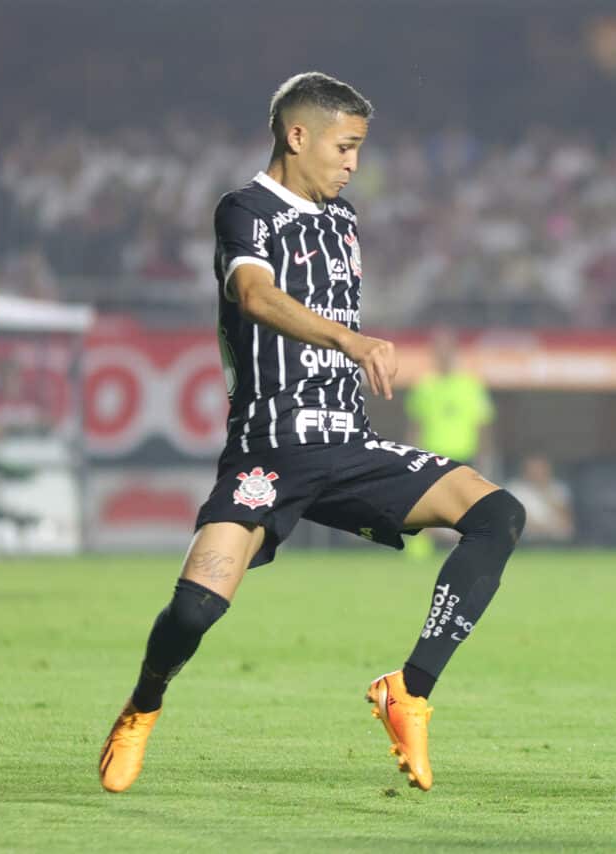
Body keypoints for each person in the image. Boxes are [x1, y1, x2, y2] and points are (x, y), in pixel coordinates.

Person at [97, 73, 525, 795]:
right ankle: (143, 705)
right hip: (267, 451)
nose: (354, 161)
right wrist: (349, 341)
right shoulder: (244, 211)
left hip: (350, 447)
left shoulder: (345, 218)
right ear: (298, 137)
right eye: (345, 145)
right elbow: (254, 295)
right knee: (195, 608)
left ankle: (409, 690)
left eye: (359, 147)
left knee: (497, 514)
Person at [403, 327, 494, 558]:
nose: (442, 354)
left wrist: (486, 461)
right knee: (426, 506)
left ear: (454, 351)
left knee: (464, 508)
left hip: (464, 455)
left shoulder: (470, 385)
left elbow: (483, 426)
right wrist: (409, 459)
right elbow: (415, 426)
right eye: (438, 349)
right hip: (433, 456)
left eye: (446, 349)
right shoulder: (424, 386)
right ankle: (418, 552)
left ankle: (465, 548)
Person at [507, 455, 574, 543]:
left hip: (558, 541)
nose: (538, 472)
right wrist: (543, 530)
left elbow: (567, 523)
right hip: (526, 541)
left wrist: (545, 492)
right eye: (534, 468)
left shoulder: (558, 488)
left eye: (541, 468)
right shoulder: (515, 488)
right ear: (525, 470)